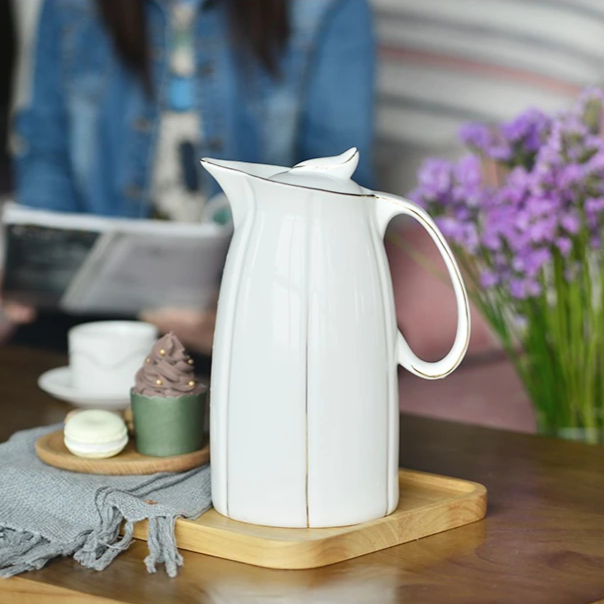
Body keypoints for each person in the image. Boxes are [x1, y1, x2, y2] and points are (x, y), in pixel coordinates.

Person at [6, 0, 376, 354]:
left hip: (246, 304)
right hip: (91, 300)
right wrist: (42, 268)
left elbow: (335, 183)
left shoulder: (328, 6)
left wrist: (249, 307)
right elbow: (47, 145)